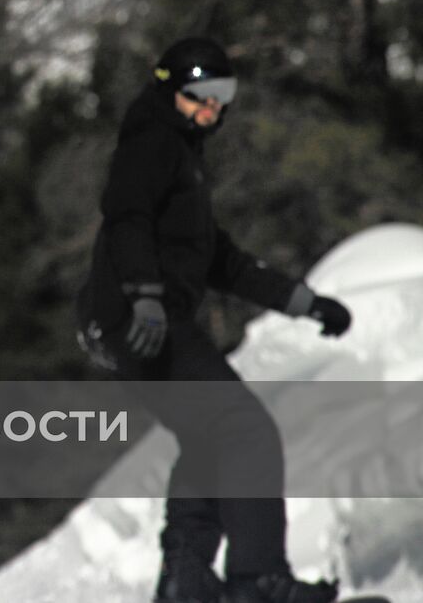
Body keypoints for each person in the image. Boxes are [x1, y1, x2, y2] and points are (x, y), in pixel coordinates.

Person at [77, 38, 353, 603]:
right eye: (200, 96)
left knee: (210, 440)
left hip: (137, 319)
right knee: (245, 431)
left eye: (223, 96)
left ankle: (187, 581)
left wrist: (303, 302)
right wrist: (146, 296)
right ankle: (258, 579)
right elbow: (126, 216)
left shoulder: (182, 156)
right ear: (168, 90)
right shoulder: (151, 141)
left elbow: (219, 259)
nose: (213, 109)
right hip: (139, 319)